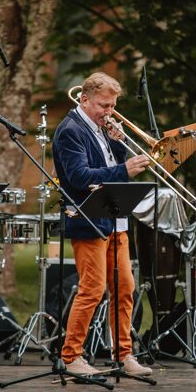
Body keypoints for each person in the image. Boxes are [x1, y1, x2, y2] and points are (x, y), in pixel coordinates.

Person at [52, 72, 152, 376]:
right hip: (89, 221)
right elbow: (80, 177)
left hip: (115, 220)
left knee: (125, 289)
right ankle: (72, 357)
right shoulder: (70, 130)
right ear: (84, 100)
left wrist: (119, 144)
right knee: (92, 290)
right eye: (103, 105)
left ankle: (124, 355)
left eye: (112, 106)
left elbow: (108, 165)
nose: (109, 112)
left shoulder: (100, 127)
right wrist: (125, 170)